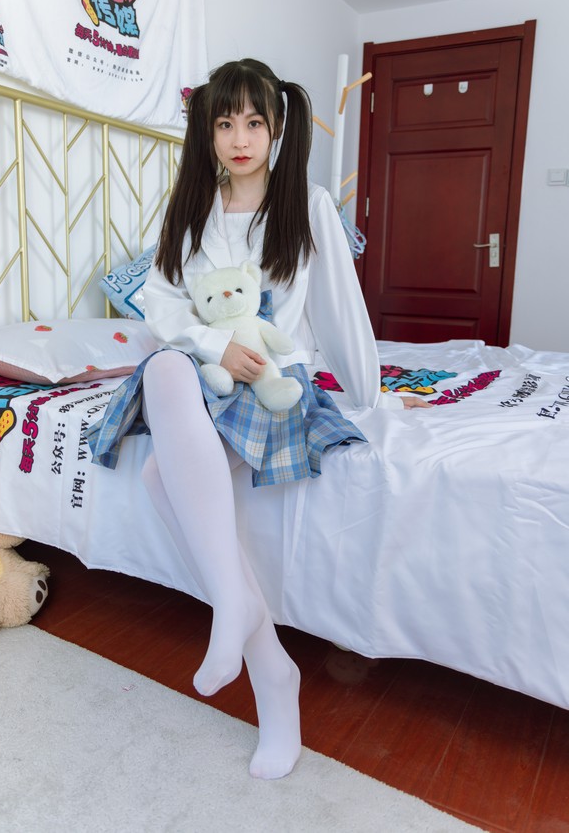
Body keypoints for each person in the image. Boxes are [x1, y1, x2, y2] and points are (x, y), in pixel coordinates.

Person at [137, 58, 429, 780]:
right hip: (206, 374)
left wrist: (372, 396)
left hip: (273, 383)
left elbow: (341, 311)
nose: (240, 139)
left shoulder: (308, 203)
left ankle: (246, 636)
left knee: (157, 477)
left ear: (275, 129)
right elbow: (161, 305)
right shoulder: (190, 207)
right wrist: (213, 346)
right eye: (224, 124)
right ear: (207, 134)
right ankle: (265, 656)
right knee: (162, 367)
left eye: (254, 123)